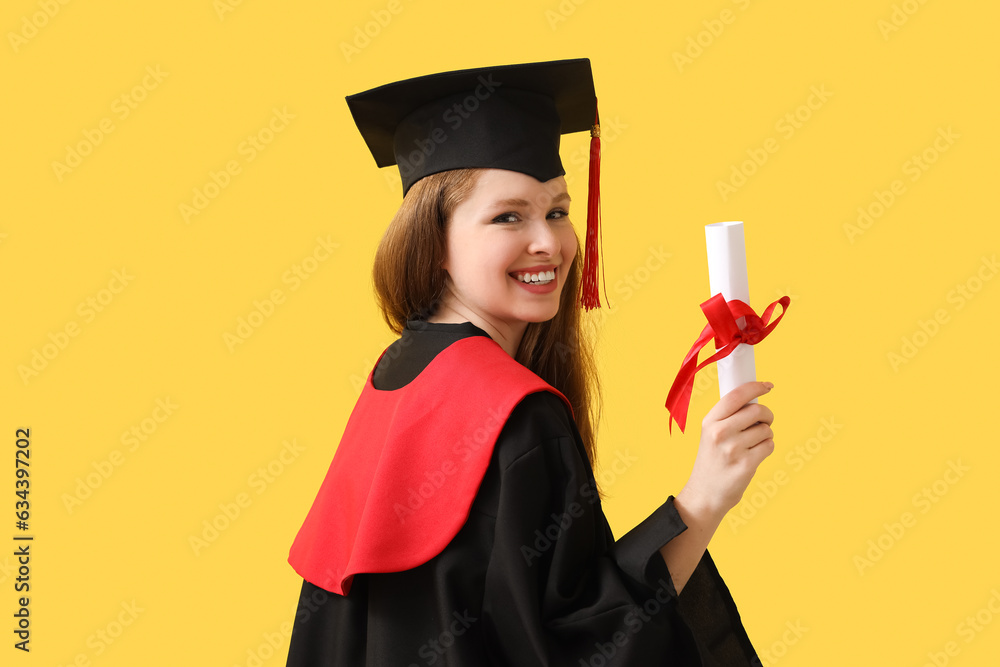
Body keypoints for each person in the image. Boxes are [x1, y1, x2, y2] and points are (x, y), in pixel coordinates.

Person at [284, 58, 774, 666]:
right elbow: (580, 647)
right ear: (433, 242)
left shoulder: (397, 373)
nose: (549, 242)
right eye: (507, 216)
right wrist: (703, 499)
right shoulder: (516, 413)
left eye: (558, 211)